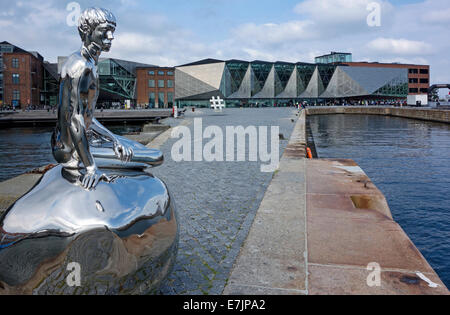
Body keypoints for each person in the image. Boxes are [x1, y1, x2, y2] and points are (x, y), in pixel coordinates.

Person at [52, 7, 162, 190]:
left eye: (113, 31)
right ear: (87, 31)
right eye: (105, 31)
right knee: (156, 156)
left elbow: (86, 118)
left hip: (77, 140)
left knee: (130, 144)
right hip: (70, 151)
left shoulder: (88, 63)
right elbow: (74, 119)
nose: (111, 37)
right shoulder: (80, 66)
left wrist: (113, 139)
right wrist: (90, 167)